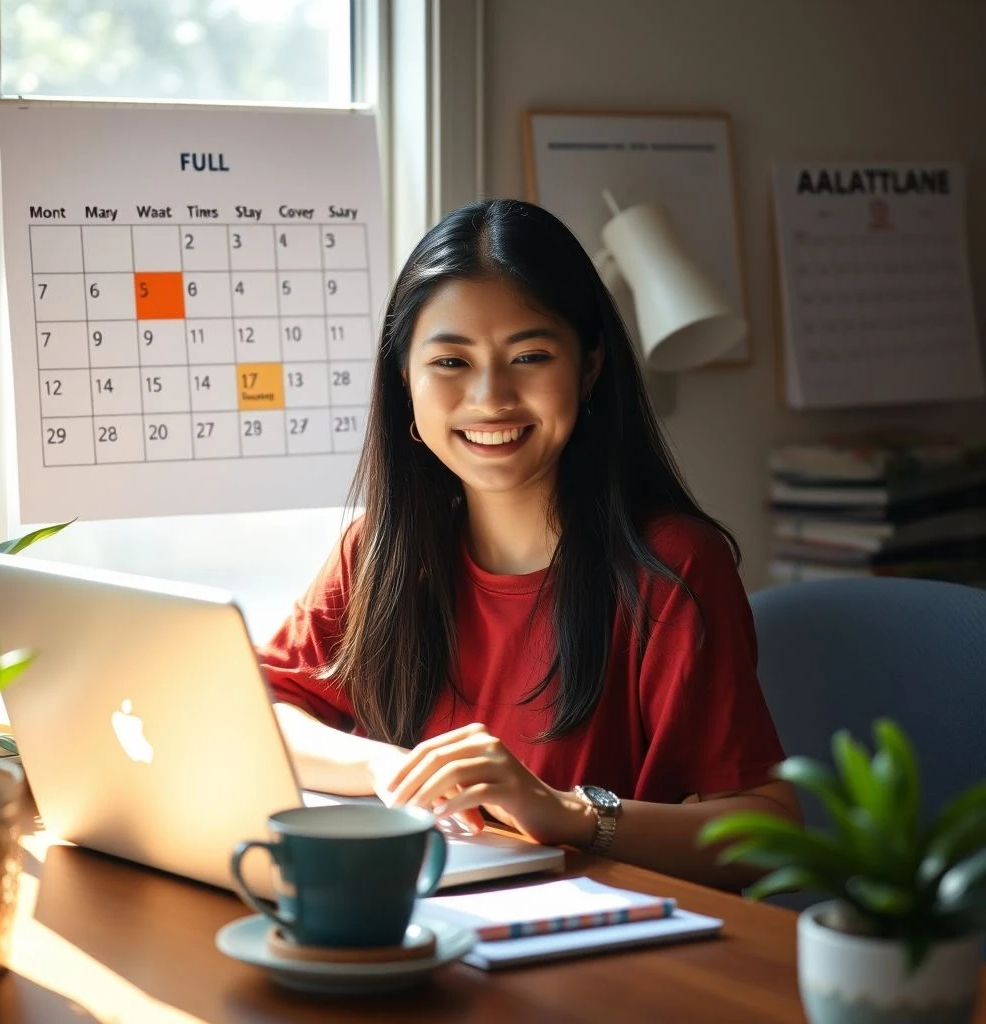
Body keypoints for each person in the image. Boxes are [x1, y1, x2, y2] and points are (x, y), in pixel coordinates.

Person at [258, 198, 800, 889]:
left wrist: (564, 813)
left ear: (591, 364)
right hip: (423, 914)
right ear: (404, 380)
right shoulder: (380, 550)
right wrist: (385, 766)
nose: (490, 397)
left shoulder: (671, 569)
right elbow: (264, 709)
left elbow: (767, 834)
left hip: (595, 952)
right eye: (451, 361)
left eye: (531, 356)